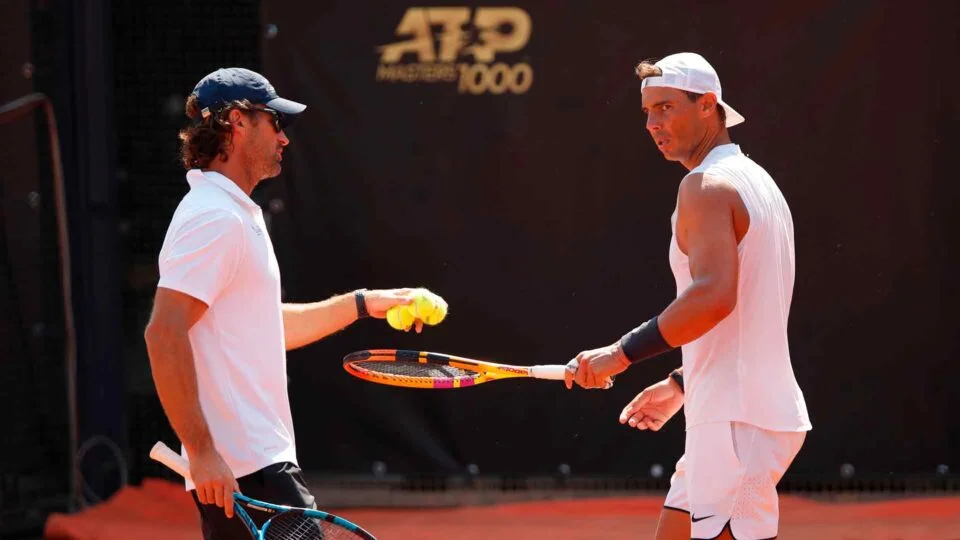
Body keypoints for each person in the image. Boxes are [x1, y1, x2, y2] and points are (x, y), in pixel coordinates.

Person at [144, 67, 427, 539]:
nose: (284, 137)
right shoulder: (215, 218)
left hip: (251, 466)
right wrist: (203, 452)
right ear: (237, 122)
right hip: (247, 469)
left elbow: (261, 329)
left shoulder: (231, 213)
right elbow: (164, 332)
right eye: (275, 122)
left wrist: (362, 303)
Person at [563, 53, 812, 540]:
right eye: (647, 112)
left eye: (666, 107)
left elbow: (714, 297)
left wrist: (620, 354)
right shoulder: (756, 180)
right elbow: (748, 312)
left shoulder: (705, 185)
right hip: (736, 411)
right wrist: (683, 382)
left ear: (708, 105)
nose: (653, 124)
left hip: (737, 422)